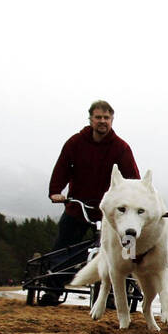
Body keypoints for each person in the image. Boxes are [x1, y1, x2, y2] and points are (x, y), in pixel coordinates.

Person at [38, 100, 140, 306]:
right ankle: (53, 290)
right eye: (98, 117)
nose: (102, 121)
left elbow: (133, 180)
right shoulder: (75, 143)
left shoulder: (121, 148)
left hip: (110, 210)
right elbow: (62, 168)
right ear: (90, 119)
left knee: (125, 246)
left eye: (106, 118)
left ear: (112, 119)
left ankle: (116, 293)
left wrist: (134, 201)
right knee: (64, 248)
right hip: (78, 206)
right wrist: (56, 192)